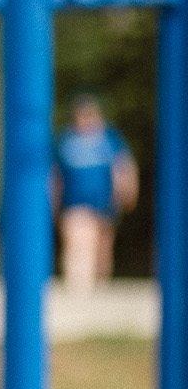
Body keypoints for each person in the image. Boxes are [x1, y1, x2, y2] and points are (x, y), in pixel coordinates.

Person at [54, 94, 138, 291]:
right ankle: (78, 289)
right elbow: (56, 175)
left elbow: (123, 167)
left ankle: (97, 290)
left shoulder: (110, 139)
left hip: (104, 203)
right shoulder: (66, 140)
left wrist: (127, 192)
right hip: (74, 203)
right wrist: (54, 201)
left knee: (102, 250)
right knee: (78, 243)